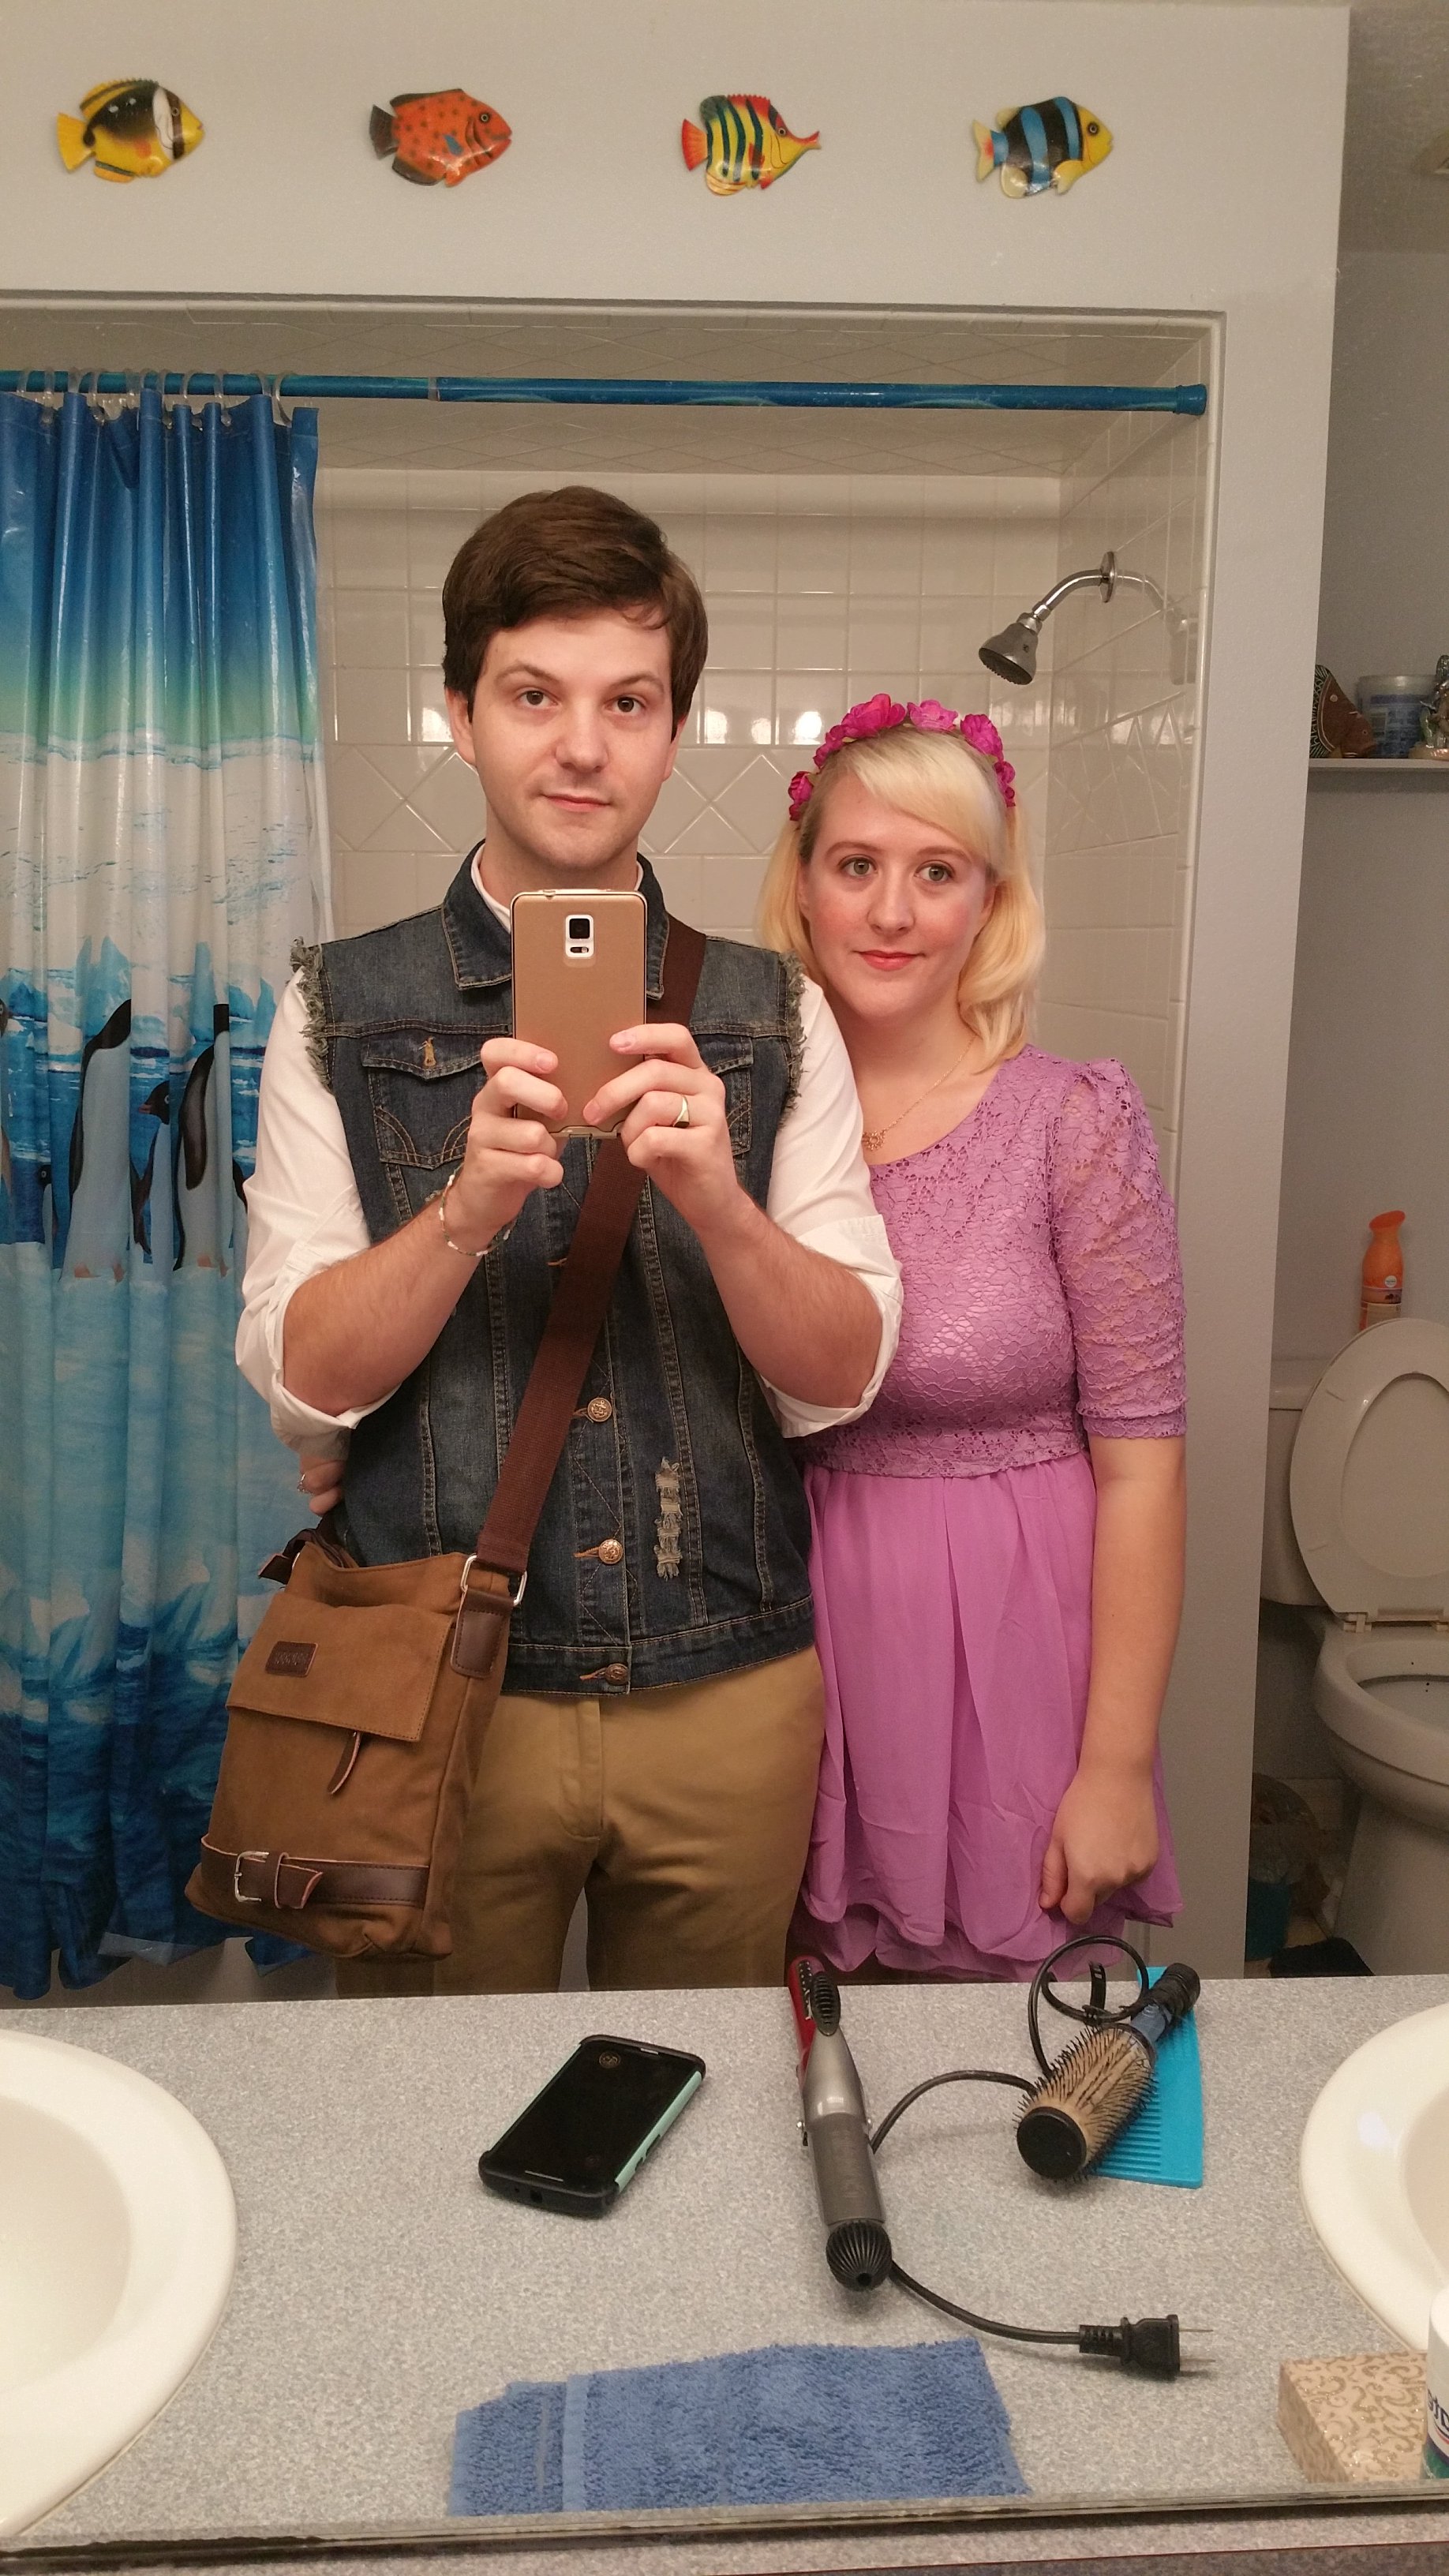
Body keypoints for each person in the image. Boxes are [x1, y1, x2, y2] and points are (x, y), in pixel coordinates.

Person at [236, 486, 902, 1996]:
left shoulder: (774, 1012)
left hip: (726, 1688)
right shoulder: (337, 1006)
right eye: (535, 695)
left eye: (629, 703)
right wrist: (464, 1209)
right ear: (461, 718)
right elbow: (302, 1377)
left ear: (675, 732)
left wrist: (720, 1204)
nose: (584, 746)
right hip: (435, 1691)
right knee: (432, 2101)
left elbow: (844, 1374)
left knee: (709, 2095)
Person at [758, 694, 1185, 1981]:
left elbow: (1145, 1469)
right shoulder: (739, 1123)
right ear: (804, 888)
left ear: (990, 903)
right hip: (785, 1659)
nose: (892, 912)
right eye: (857, 866)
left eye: (937, 873)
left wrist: (1116, 1766)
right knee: (807, 2034)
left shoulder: (1072, 1124)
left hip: (1014, 1660)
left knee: (1020, 2030)